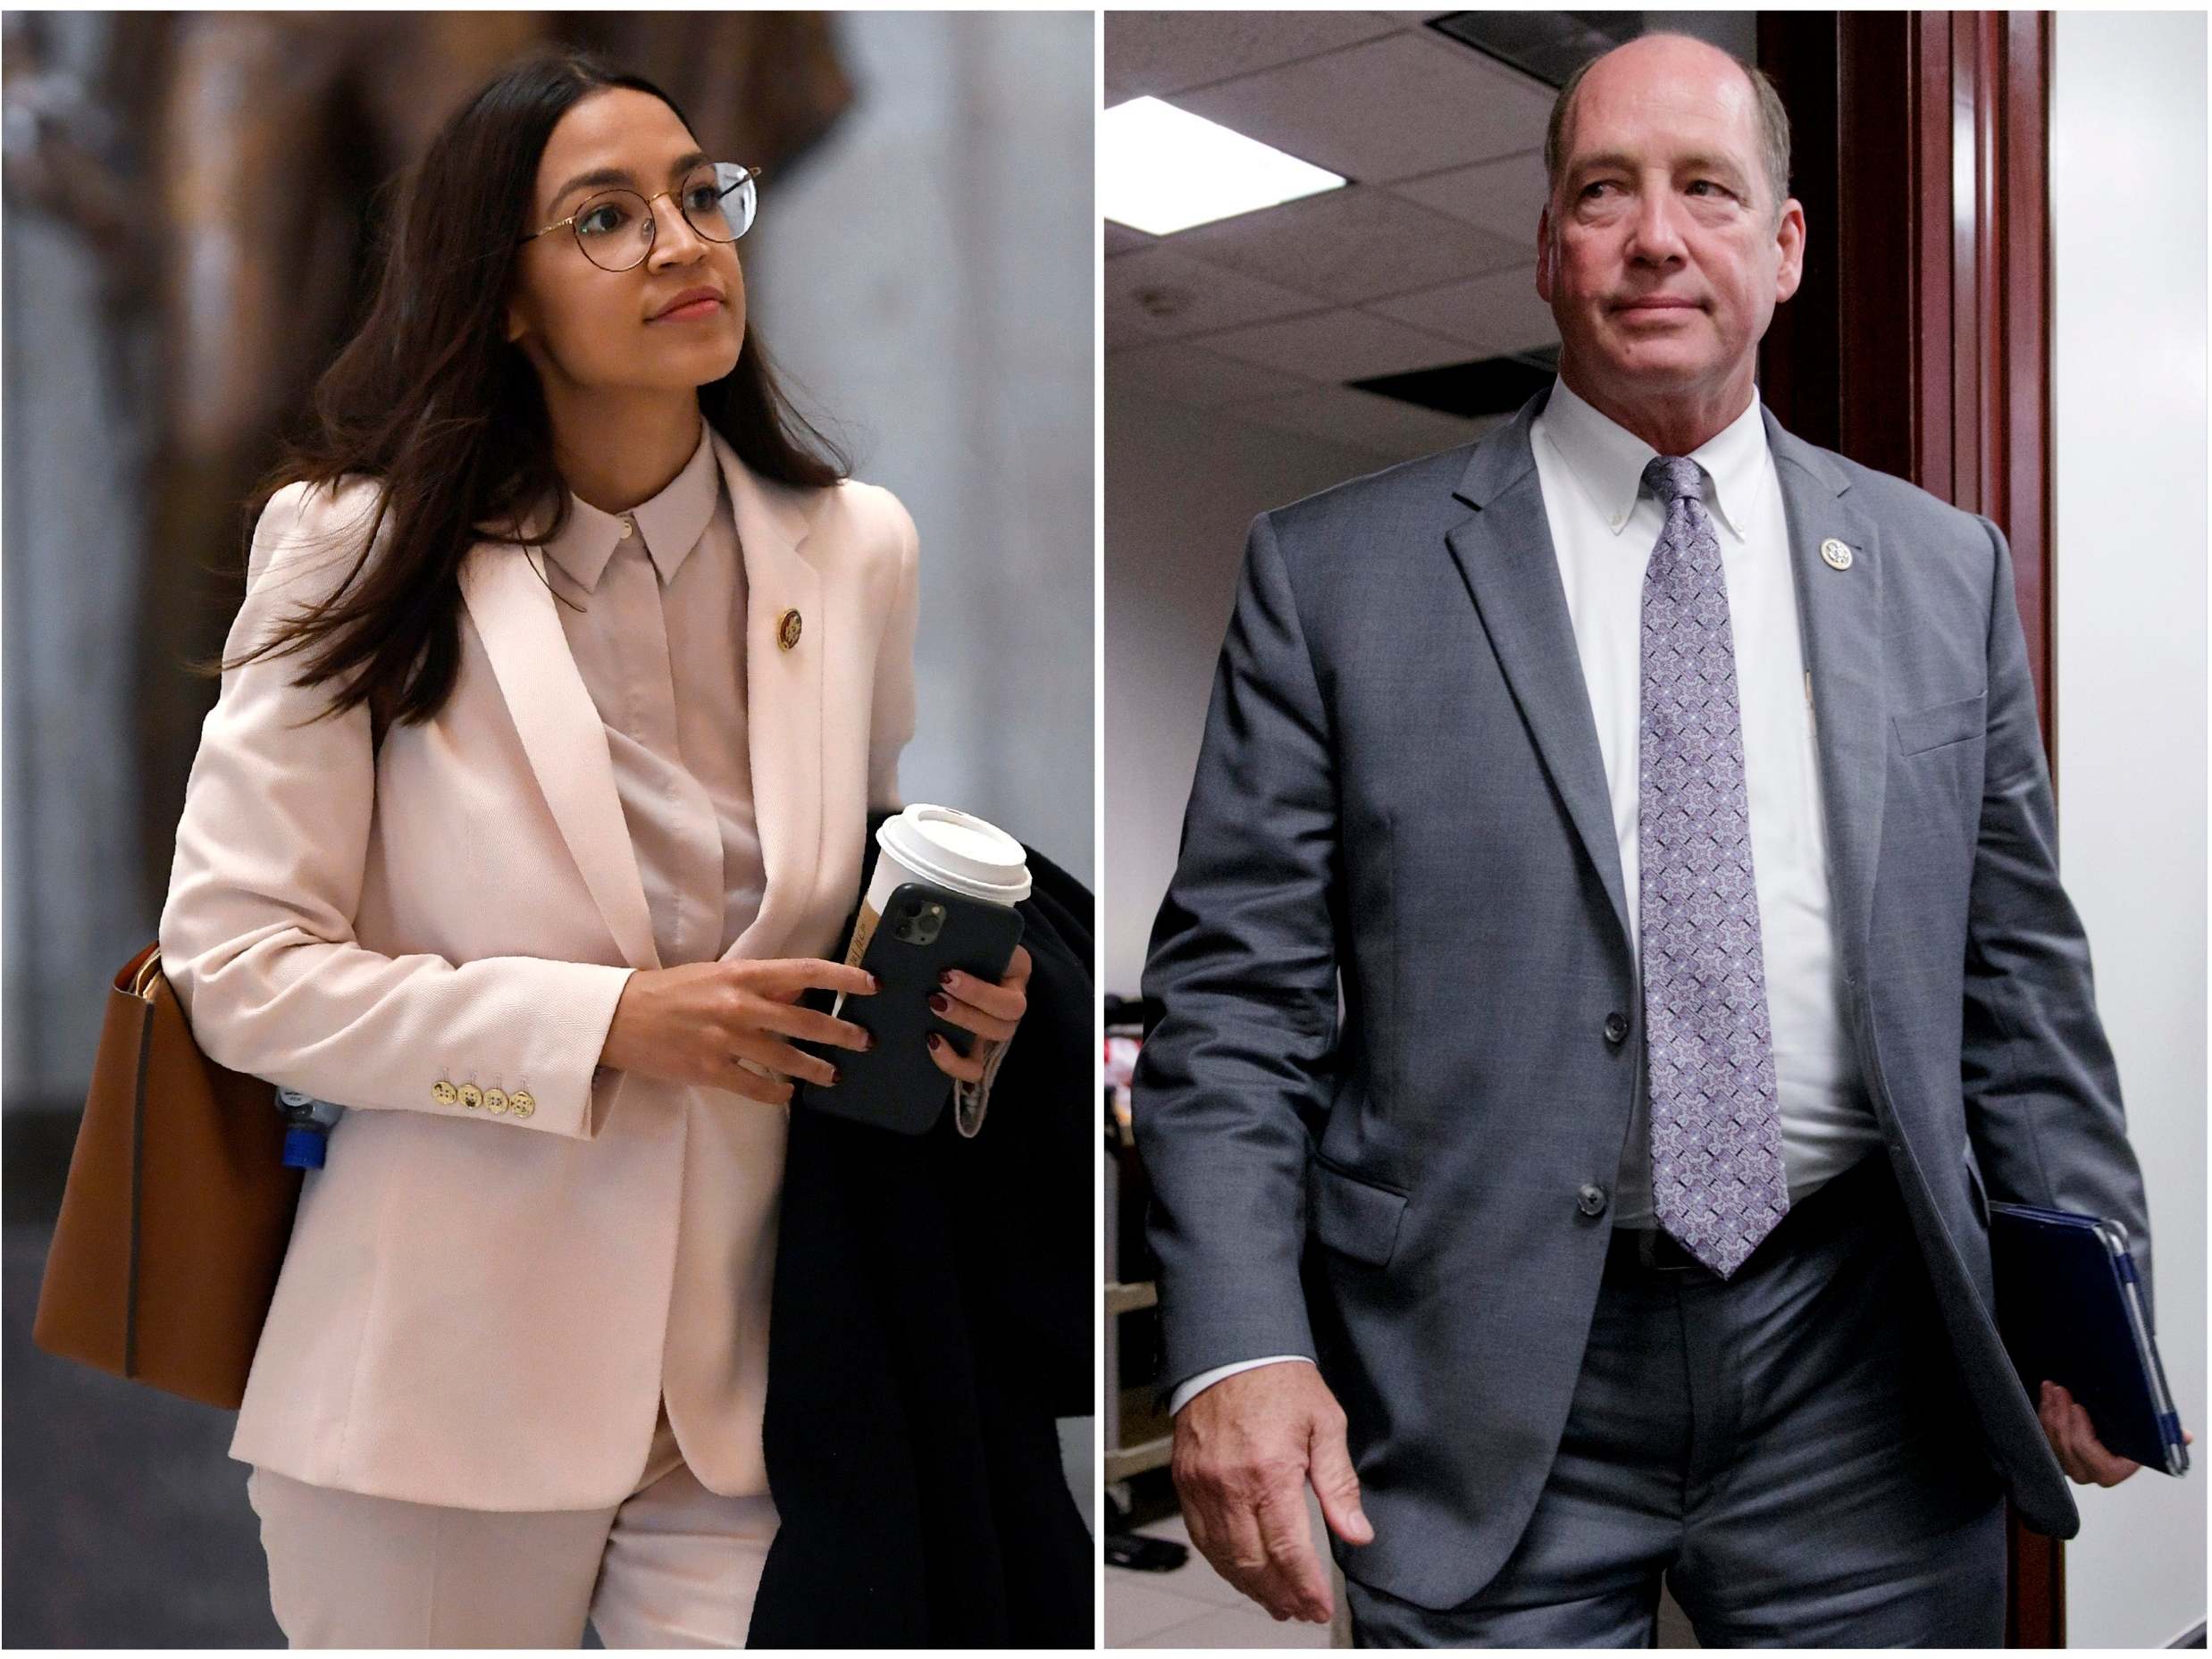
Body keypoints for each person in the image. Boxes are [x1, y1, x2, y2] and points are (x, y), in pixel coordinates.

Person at [1132, 30, 2178, 1648]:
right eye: (1604, 191)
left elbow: (2019, 979)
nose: (1656, 235)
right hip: (1474, 1372)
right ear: (1550, 245)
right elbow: (1235, 1008)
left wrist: (2091, 1292)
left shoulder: (1939, 571)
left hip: (1865, 1360)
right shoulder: (1337, 577)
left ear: (1785, 245)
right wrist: (1234, 1346)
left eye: (1707, 189)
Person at [155, 50, 1031, 1647]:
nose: (686, 244)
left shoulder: (853, 552)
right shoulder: (351, 549)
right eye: (607, 219)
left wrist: (954, 1023)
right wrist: (610, 1026)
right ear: (500, 297)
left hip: (754, 1401)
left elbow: (849, 909)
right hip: (431, 1404)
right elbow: (241, 973)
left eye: (703, 196)